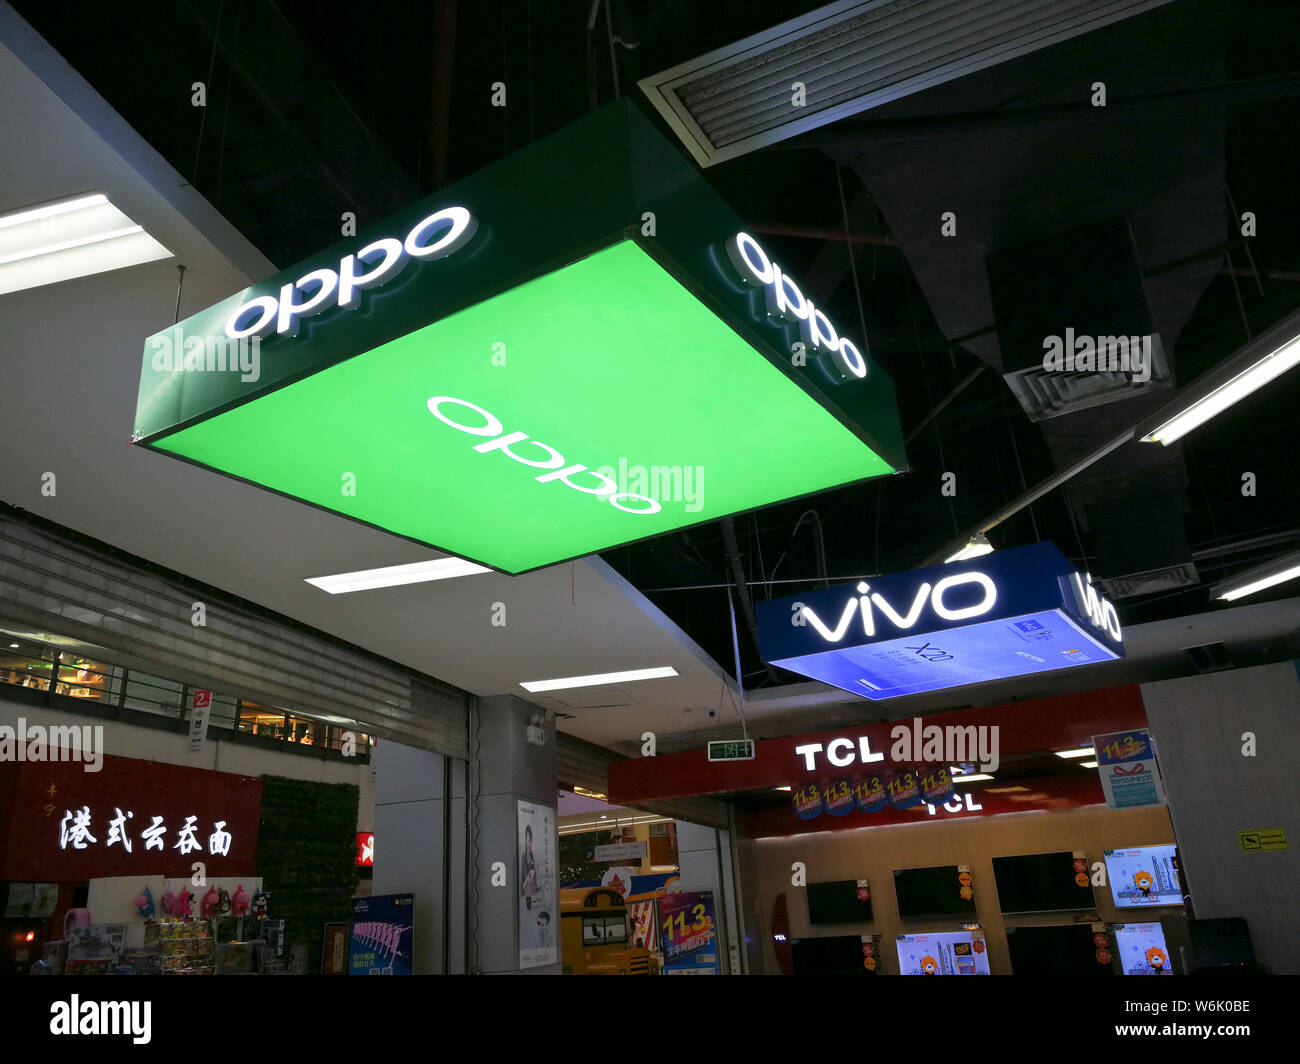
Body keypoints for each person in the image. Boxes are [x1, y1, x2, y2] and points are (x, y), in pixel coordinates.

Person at [520, 824, 537, 910]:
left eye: (530, 840)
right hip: (526, 882)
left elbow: (533, 867)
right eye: (527, 840)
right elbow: (524, 871)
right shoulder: (524, 856)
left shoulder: (531, 854)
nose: (529, 843)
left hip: (530, 881)